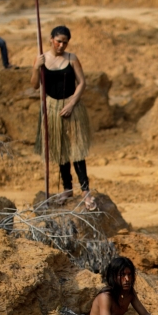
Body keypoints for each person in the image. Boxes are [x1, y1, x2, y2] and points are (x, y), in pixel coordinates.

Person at [31, 25, 96, 210]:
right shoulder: (41, 58)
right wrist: (36, 67)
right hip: (52, 107)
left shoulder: (72, 58)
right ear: (51, 39)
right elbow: (35, 85)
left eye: (65, 42)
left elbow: (82, 82)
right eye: (58, 41)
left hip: (72, 107)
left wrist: (72, 103)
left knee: (77, 149)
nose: (61, 45)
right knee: (60, 149)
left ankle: (85, 191)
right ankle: (67, 188)